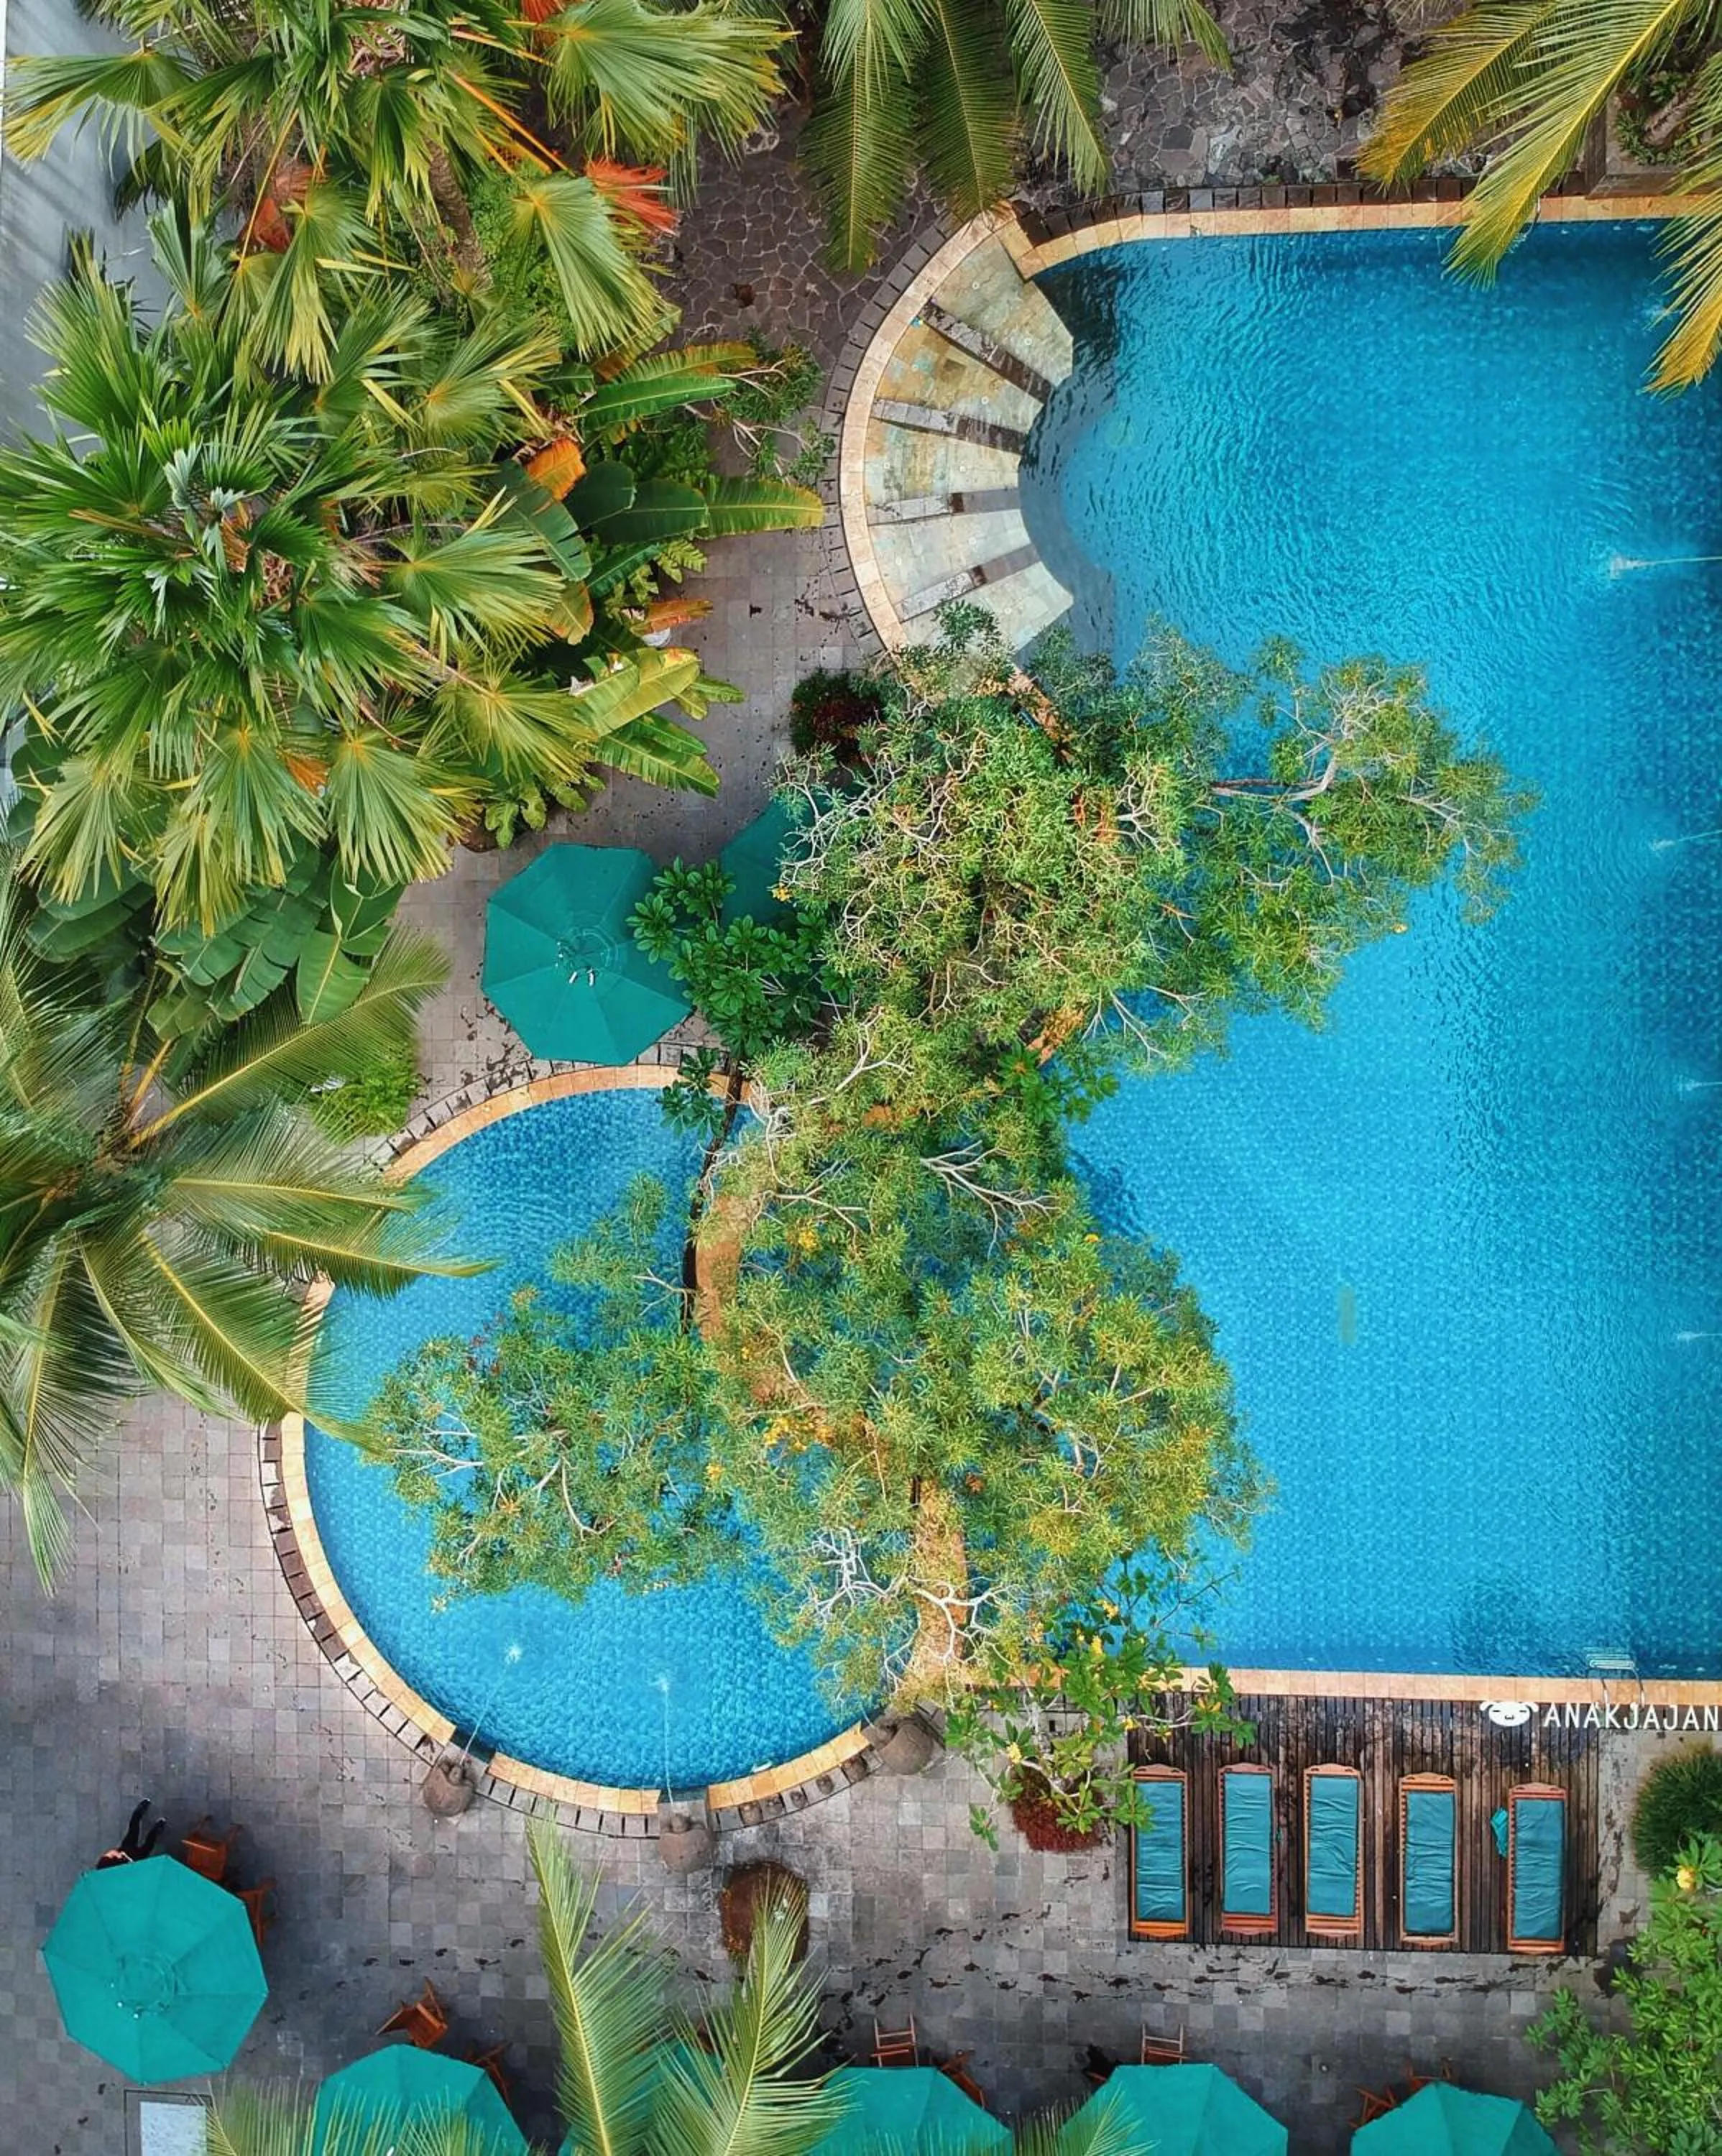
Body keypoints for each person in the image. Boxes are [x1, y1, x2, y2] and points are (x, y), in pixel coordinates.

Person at [96, 1799, 165, 1869]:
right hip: (133, 1860)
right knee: (147, 1845)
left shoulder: (102, 1869)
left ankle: (139, 1814)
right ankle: (155, 1829)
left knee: (134, 1832)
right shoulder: (102, 1873)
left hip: (127, 1853)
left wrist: (123, 1858)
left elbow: (109, 1857)